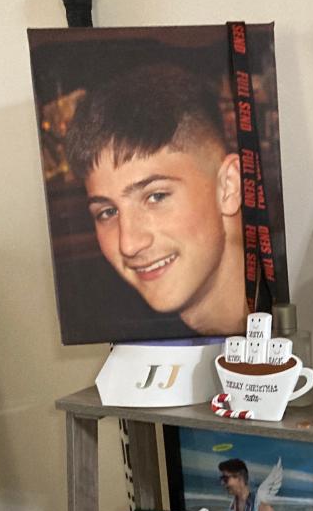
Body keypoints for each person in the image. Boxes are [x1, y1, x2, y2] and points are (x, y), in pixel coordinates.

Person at [65, 63, 246, 337]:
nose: (129, 244)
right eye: (107, 212)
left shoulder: (307, 306)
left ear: (228, 186)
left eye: (156, 196)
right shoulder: (119, 329)